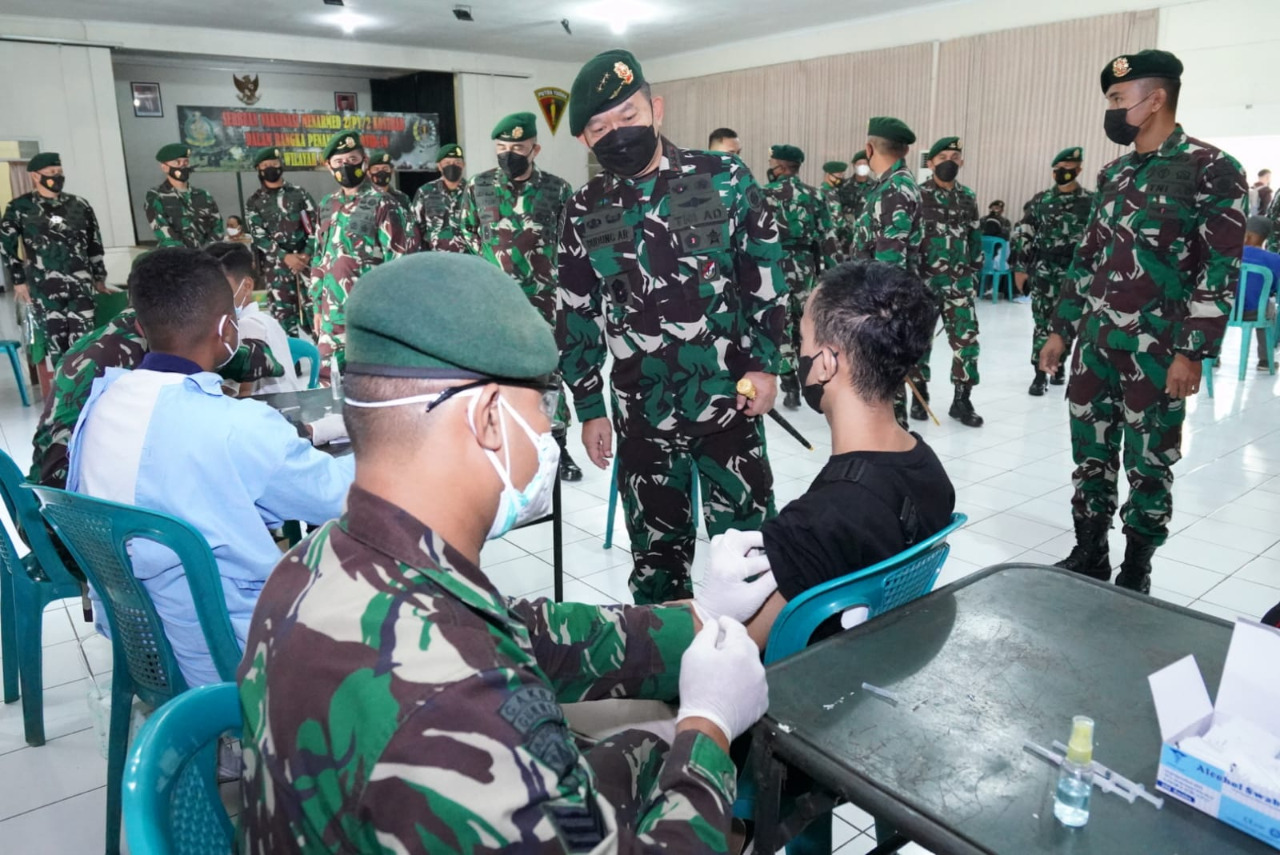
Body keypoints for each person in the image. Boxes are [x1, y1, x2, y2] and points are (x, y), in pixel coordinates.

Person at [237, 252, 774, 853]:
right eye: (543, 408)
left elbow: (521, 629)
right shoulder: (456, 706)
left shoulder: (315, 563)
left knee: (644, 748)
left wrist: (699, 617)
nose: (549, 433)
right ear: (490, 417)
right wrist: (709, 728)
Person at [559, 49, 787, 604]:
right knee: (657, 566)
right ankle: (670, 676)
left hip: (729, 404)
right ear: (586, 140)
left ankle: (764, 666)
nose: (618, 133)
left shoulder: (723, 178)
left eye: (629, 116)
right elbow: (576, 313)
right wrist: (589, 408)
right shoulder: (584, 207)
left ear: (656, 109)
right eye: (600, 127)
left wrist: (765, 366)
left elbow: (764, 273)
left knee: (752, 554)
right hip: (642, 416)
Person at [66, 247, 353, 686]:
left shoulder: (103, 404)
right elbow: (341, 497)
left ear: (142, 327)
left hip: (142, 643)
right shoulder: (236, 426)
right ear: (226, 329)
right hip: (232, 654)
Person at [1040, 50, 1246, 593]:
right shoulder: (1114, 172)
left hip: (1157, 352)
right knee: (1090, 454)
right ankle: (1089, 551)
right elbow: (1088, 257)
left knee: (1149, 465)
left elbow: (1221, 267)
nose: (1111, 110)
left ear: (1155, 99)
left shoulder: (1212, 169)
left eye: (1118, 99)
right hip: (1097, 344)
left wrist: (1192, 351)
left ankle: (1136, 569)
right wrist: (1061, 329)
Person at [752, 261, 954, 639]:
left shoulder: (819, 522)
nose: (799, 355)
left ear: (825, 363)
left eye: (802, 340)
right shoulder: (929, 469)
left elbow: (720, 637)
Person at [30, 268, 284, 491]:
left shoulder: (98, 343)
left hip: (49, 505)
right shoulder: (166, 341)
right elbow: (259, 362)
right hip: (81, 519)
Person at [458, 112, 581, 482]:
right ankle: (501, 447)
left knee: (547, 372)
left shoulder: (557, 189)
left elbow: (572, 245)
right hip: (494, 301)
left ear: (535, 148)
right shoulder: (477, 187)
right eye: (502, 148)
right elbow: (466, 238)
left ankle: (558, 446)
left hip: (544, 300)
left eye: (517, 147)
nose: (509, 154)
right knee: (494, 373)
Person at [308, 130, 418, 372]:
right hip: (330, 320)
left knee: (371, 384)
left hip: (368, 318)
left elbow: (400, 264)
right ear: (329, 166)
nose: (345, 166)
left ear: (364, 161)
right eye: (338, 162)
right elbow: (319, 257)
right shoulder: (326, 204)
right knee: (329, 386)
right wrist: (316, 306)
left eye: (352, 160)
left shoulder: (384, 204)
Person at [0, 152, 106, 377]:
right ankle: (64, 395)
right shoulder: (20, 207)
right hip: (44, 287)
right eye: (50, 173)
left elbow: (94, 242)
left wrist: (99, 276)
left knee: (85, 343)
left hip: (81, 285)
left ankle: (85, 390)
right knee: (57, 345)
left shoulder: (79, 204)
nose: (56, 177)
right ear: (35, 176)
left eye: (59, 173)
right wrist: (18, 281)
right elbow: (6, 246)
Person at [848, 116, 923, 428]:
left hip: (884, 304)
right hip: (880, 300)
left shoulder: (895, 190)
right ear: (904, 149)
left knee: (887, 382)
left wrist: (877, 312)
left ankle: (894, 438)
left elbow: (889, 262)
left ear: (869, 148)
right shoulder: (890, 186)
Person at [1012, 147, 1093, 395]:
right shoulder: (1040, 201)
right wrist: (1019, 268)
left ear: (1078, 170)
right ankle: (1039, 374)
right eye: (1060, 169)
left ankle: (1059, 365)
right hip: (1045, 271)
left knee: (1069, 322)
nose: (1064, 173)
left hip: (1077, 274)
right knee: (1042, 323)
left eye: (1070, 168)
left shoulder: (1091, 201)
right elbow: (1024, 233)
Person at [915, 137, 984, 428]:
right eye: (942, 156)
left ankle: (962, 398)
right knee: (919, 342)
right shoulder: (917, 196)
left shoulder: (967, 196)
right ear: (930, 163)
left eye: (955, 156)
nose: (949, 161)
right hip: (924, 284)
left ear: (962, 162)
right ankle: (919, 394)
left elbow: (974, 237)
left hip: (960, 284)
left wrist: (975, 272)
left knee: (967, 342)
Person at [763, 144, 837, 410]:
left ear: (780, 167)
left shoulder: (764, 195)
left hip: (775, 268)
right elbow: (827, 238)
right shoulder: (815, 195)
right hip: (805, 268)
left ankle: (789, 386)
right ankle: (808, 381)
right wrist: (833, 276)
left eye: (772, 163)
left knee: (780, 326)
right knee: (805, 327)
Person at [205, 241, 305, 395]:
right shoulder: (263, 320)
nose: (213, 295)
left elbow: (241, 394)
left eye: (221, 287)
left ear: (246, 286)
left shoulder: (248, 326)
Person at [245, 146, 316, 337]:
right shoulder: (255, 202)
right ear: (259, 170)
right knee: (283, 322)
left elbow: (314, 225)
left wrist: (306, 253)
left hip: (306, 263)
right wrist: (285, 257)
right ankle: (292, 366)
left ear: (281, 166)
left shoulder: (299, 194)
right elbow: (259, 236)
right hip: (277, 268)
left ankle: (325, 363)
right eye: (265, 165)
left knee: (317, 315)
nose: (270, 168)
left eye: (274, 164)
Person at [145, 143, 222, 248]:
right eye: (177, 162)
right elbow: (164, 233)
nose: (183, 166)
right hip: (176, 258)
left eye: (186, 162)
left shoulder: (203, 195)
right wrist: (187, 257)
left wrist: (210, 253)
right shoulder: (156, 196)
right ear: (164, 167)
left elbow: (217, 227)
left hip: (205, 259)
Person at [412, 143, 468, 253]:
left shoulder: (472, 191)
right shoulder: (425, 192)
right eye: (447, 163)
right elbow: (415, 228)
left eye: (457, 162)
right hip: (435, 260)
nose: (452, 166)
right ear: (439, 166)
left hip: (467, 260)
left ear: (463, 165)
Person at [1242, 216, 1280, 367]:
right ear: (1265, 238)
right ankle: (1265, 359)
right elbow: (1276, 289)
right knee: (1269, 309)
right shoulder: (1275, 259)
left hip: (1228, 308)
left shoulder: (1230, 253)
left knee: (1219, 311)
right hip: (1255, 311)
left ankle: (1213, 356)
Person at [820, 160, 853, 263]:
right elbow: (838, 222)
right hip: (833, 241)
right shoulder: (826, 193)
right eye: (838, 174)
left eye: (843, 174)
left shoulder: (835, 192)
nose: (841, 178)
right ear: (828, 175)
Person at [367, 149, 414, 218]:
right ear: (369, 173)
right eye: (376, 169)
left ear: (392, 171)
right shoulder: (361, 197)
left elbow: (410, 222)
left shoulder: (403, 198)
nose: (381, 173)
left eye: (385, 169)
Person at [836, 150, 872, 228]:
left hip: (866, 231)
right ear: (854, 165)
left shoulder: (876, 186)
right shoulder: (843, 185)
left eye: (865, 164)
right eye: (859, 164)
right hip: (846, 232)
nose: (862, 166)